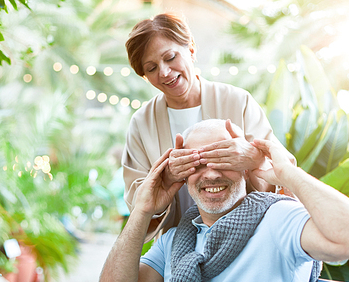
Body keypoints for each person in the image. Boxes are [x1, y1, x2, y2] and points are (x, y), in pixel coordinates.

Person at [95, 119, 349, 282]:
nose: (212, 173)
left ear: (246, 165)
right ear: (183, 176)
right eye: (197, 163)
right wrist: (143, 210)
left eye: (225, 158)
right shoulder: (175, 241)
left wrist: (286, 173)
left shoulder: (278, 219)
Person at [122, 13, 295, 242]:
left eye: (170, 57)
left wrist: (252, 159)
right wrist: (166, 178)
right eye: (151, 68)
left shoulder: (238, 101)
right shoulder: (141, 123)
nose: (164, 72)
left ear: (191, 49)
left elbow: (279, 169)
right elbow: (135, 197)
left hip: (246, 238)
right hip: (176, 243)